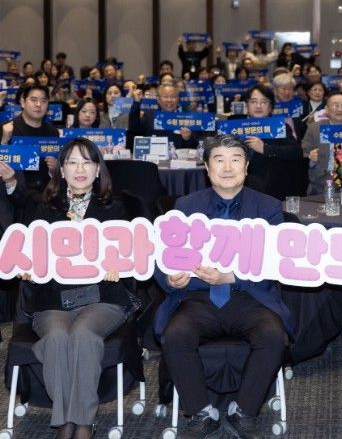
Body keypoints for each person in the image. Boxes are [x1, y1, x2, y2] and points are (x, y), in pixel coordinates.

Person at [154, 134, 295, 439]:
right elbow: (161, 258)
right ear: (207, 168)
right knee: (176, 335)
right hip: (198, 298)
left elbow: (276, 263)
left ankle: (244, 412)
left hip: (249, 297)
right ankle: (200, 411)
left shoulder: (268, 207)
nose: (227, 168)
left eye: (235, 159)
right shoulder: (186, 206)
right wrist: (169, 278)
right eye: (219, 160)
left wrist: (232, 278)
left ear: (246, 166)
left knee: (273, 335)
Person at [2, 138, 134, 439]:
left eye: (87, 162)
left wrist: (120, 264)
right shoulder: (44, 207)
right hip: (53, 299)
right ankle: (66, 421)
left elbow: (129, 251)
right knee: (58, 337)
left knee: (83, 334)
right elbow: (30, 252)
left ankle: (82, 422)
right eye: (72, 162)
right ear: (61, 170)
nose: (80, 169)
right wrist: (27, 268)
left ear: (98, 169)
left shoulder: (114, 207)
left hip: (102, 297)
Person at [1, 83, 60, 191]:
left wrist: (54, 169)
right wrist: (3, 143)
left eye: (43, 101)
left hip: (45, 193)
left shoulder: (53, 132)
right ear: (23, 102)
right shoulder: (6, 129)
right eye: (33, 100)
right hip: (15, 192)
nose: (38, 104)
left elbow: (55, 171)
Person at [239, 84, 302, 178]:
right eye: (253, 102)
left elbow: (296, 152)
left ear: (270, 107)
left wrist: (265, 149)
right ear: (247, 105)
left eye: (264, 102)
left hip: (271, 181)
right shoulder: (235, 127)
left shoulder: (279, 127)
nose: (258, 106)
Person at [128, 81, 200, 149]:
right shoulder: (149, 116)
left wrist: (187, 138)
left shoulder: (188, 118)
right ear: (158, 99)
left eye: (173, 96)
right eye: (165, 96)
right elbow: (133, 129)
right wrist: (136, 103)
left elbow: (197, 146)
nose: (169, 100)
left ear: (178, 99)